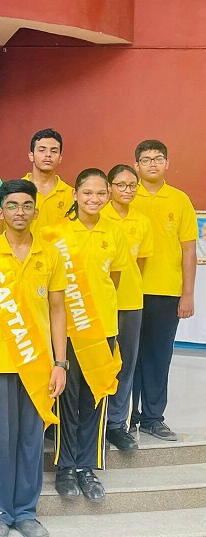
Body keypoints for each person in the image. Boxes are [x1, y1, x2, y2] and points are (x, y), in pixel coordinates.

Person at [0, 179, 67, 537]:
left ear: (36, 211)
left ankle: (26, 512)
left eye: (26, 205)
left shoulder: (50, 254)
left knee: (31, 439)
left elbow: (58, 311)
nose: (19, 212)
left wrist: (60, 363)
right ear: (1, 211)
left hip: (39, 365)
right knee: (2, 442)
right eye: (12, 205)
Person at [40, 169, 128, 502]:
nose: (94, 199)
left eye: (101, 193)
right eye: (87, 193)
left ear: (108, 195)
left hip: (103, 329)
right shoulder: (55, 234)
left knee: (95, 399)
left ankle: (87, 467)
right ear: (75, 195)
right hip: (66, 330)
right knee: (66, 398)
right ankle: (65, 466)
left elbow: (113, 278)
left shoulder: (115, 231)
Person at [130, 140, 197, 440]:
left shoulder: (180, 200)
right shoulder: (126, 196)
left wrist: (188, 294)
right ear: (136, 166)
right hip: (128, 292)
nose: (152, 164)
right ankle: (125, 417)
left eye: (158, 159)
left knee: (158, 357)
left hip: (167, 292)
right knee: (127, 358)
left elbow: (189, 250)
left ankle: (153, 417)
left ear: (167, 163)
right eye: (146, 160)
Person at [102, 165, 153, 451]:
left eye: (132, 185)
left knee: (126, 364)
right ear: (109, 187)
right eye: (120, 185)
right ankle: (93, 421)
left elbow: (139, 264)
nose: (127, 190)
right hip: (100, 303)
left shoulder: (142, 221)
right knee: (99, 363)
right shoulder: (98, 216)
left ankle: (116, 424)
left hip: (131, 301)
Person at [23, 129, 73, 232]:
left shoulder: (71, 195)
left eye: (54, 151)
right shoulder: (16, 191)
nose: (48, 155)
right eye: (42, 150)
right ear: (31, 156)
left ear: (60, 158)